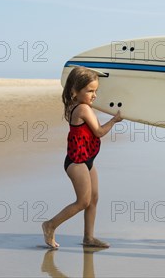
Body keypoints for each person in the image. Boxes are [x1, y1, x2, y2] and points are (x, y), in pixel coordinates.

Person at [42, 67, 123, 249]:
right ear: (75, 92)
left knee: (94, 198)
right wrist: (113, 120)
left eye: (96, 91)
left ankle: (89, 238)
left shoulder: (79, 104)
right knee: (83, 201)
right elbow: (99, 132)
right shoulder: (83, 108)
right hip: (77, 162)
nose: (94, 95)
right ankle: (50, 225)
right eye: (90, 91)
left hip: (87, 159)